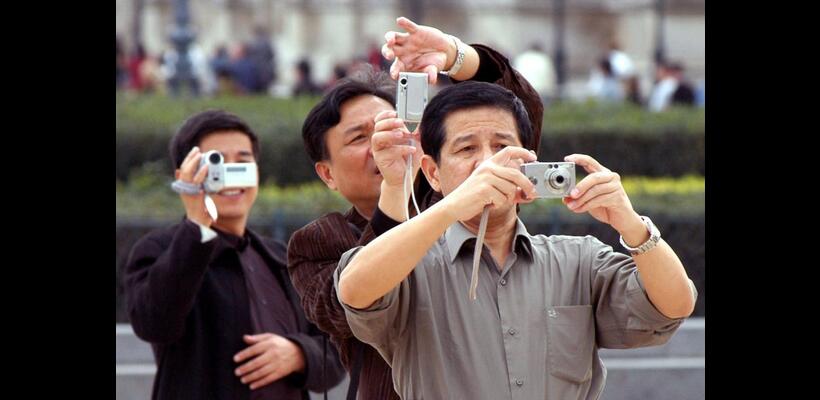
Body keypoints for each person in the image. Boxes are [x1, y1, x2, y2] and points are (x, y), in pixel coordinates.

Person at [335, 80, 698, 399]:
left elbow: (674, 306)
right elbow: (354, 289)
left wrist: (632, 225)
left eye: (501, 146)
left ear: (528, 162)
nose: (486, 164)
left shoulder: (578, 260)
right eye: (466, 150)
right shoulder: (409, 266)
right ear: (432, 173)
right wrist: (455, 204)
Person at [287, 16, 544, 400]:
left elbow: (512, 115)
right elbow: (353, 307)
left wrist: (457, 58)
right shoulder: (318, 244)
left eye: (390, 124)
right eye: (361, 138)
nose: (382, 142)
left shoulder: (458, 193)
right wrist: (395, 190)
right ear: (327, 174)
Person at [123, 110, 344, 399]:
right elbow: (155, 323)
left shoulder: (281, 257)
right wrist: (196, 226)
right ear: (184, 175)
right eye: (214, 162)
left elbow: (336, 349)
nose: (228, 174)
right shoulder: (160, 250)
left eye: (242, 161)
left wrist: (299, 353)